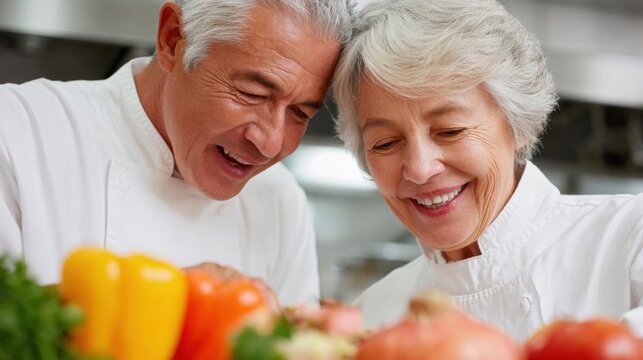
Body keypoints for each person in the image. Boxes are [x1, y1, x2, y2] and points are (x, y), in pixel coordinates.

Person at [0, 0, 353, 307]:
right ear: (172, 39)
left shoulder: (279, 201)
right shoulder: (19, 130)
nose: (271, 143)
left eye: (301, 114)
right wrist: (167, 298)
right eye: (252, 93)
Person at [332, 0, 643, 340]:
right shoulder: (371, 318)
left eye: (450, 130)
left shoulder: (628, 239)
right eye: (386, 143)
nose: (420, 170)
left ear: (519, 124)